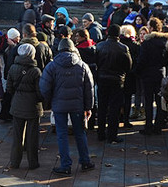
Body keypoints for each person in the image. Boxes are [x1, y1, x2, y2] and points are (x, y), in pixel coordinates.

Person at [41, 38, 95, 176]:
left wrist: (48, 103)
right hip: (77, 106)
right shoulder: (82, 66)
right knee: (80, 133)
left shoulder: (52, 66)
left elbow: (44, 87)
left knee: (62, 135)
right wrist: (88, 107)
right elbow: (89, 88)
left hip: (59, 106)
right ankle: (85, 161)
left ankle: (65, 165)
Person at [137, 18, 168, 135]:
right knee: (160, 101)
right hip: (160, 73)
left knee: (148, 101)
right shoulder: (166, 42)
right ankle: (158, 125)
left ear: (152, 28)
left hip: (148, 75)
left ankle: (148, 125)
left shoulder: (147, 43)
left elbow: (142, 60)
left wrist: (138, 71)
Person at [8, 44, 43, 170]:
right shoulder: (36, 71)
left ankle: (14, 162)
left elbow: (9, 88)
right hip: (33, 106)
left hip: (17, 104)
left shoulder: (13, 68)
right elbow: (40, 92)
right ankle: (33, 163)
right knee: (32, 136)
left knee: (17, 135)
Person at [94, 24, 132, 143]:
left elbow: (96, 62)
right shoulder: (123, 48)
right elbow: (128, 66)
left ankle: (100, 133)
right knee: (114, 109)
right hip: (117, 80)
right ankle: (112, 135)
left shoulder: (99, 46)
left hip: (102, 79)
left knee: (102, 106)